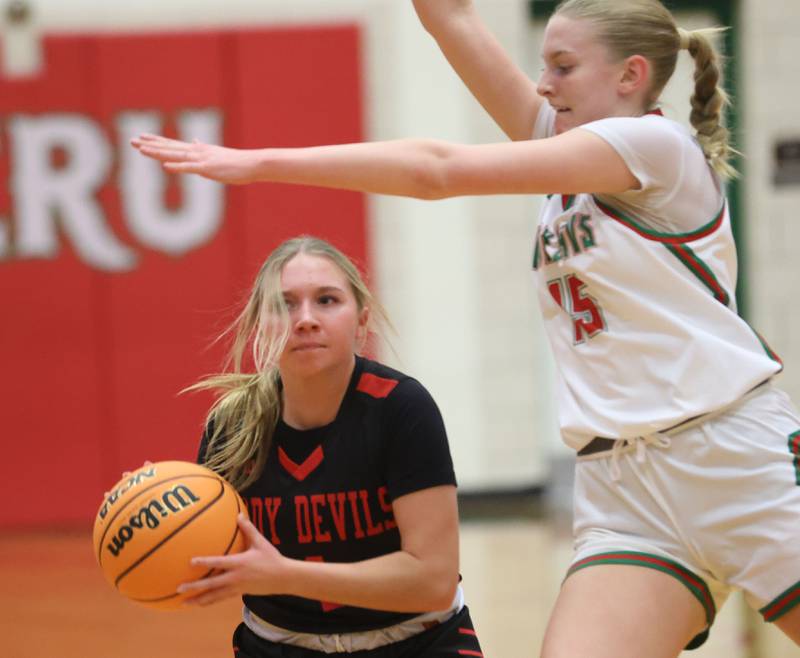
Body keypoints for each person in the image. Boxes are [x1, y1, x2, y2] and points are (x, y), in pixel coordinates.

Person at [132, 1, 800, 655]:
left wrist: (260, 163)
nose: (542, 83)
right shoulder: (565, 154)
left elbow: (437, 171)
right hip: (624, 487)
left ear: (629, 77)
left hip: (732, 457)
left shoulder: (656, 146)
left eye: (563, 66)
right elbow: (449, 16)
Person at [177, 236, 484, 658]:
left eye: (326, 300)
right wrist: (147, 507)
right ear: (258, 324)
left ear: (362, 319)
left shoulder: (402, 408)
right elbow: (200, 557)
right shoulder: (232, 424)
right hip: (280, 646)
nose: (305, 319)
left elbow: (433, 581)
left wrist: (285, 575)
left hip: (418, 642)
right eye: (283, 304)